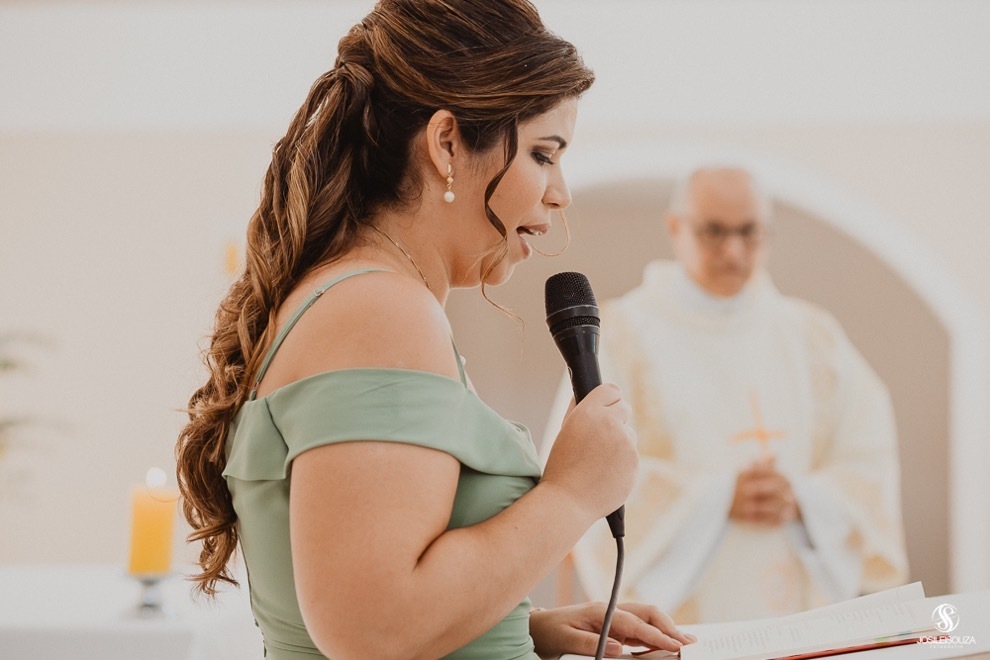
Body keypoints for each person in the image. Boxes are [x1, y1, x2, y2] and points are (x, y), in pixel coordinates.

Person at [174, 2, 695, 658]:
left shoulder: (358, 299)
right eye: (542, 154)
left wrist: (523, 629)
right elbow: (373, 629)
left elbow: (367, 593)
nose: (560, 193)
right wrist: (571, 493)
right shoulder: (380, 311)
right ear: (447, 144)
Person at [543, 166, 909, 624]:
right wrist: (716, 499)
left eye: (749, 232)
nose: (734, 251)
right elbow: (582, 467)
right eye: (714, 232)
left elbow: (867, 456)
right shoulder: (622, 336)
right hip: (684, 619)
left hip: (800, 605)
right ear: (676, 228)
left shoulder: (813, 337)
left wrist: (803, 499)